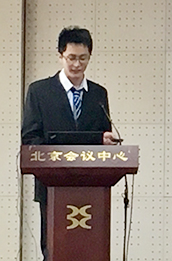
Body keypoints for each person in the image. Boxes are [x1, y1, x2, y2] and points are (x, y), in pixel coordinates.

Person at [21, 26, 120, 261]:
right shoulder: (39, 92)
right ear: (60, 55)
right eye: (71, 58)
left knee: (90, 250)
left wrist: (105, 142)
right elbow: (31, 138)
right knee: (54, 250)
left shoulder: (98, 94)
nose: (77, 64)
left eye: (83, 58)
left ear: (90, 56)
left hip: (92, 186)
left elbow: (102, 139)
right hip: (52, 185)